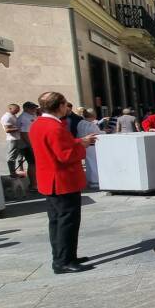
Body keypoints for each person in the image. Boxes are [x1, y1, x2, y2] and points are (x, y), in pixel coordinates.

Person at [28, 91, 99, 274]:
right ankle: (63, 261)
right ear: (59, 106)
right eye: (65, 104)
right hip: (62, 180)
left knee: (57, 221)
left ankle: (65, 256)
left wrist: (78, 141)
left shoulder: (39, 124)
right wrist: (82, 146)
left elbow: (57, 146)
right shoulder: (55, 127)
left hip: (50, 180)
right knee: (67, 221)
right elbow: (65, 155)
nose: (67, 107)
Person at [76, 109, 102, 188]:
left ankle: (89, 180)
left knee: (88, 164)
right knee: (94, 164)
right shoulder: (91, 125)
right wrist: (104, 132)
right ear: (93, 115)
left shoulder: (80, 123)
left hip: (84, 145)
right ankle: (95, 181)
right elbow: (97, 134)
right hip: (91, 146)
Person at [0, 103, 27, 176]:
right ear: (10, 109)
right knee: (12, 156)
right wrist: (19, 128)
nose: (18, 111)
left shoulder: (13, 116)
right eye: (16, 109)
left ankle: (20, 169)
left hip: (18, 137)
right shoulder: (7, 117)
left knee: (20, 154)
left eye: (18, 109)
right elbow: (7, 130)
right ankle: (12, 172)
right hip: (12, 139)